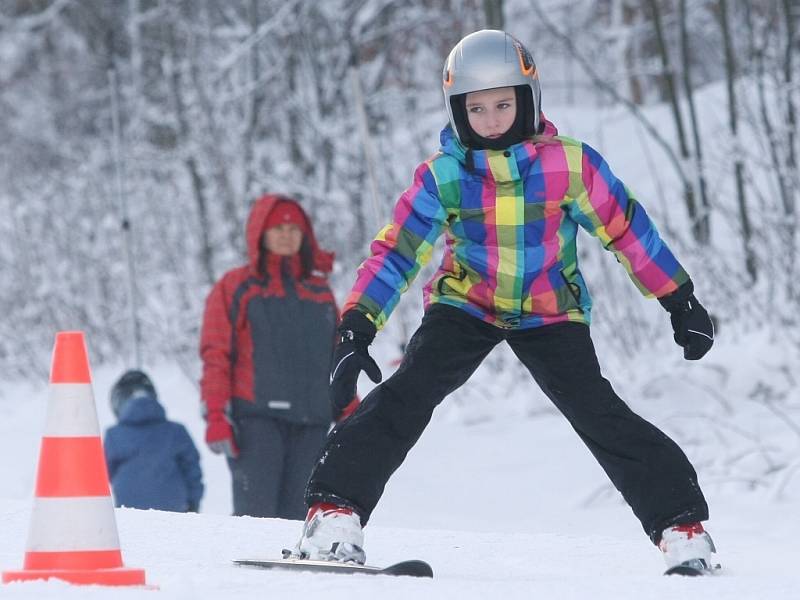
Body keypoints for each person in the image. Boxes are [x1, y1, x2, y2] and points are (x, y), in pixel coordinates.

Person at [292, 30, 717, 573]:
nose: (491, 119)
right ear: (457, 111)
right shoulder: (444, 175)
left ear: (529, 99)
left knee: (597, 411)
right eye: (476, 108)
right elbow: (396, 253)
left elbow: (627, 230)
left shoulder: (569, 165)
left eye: (502, 104)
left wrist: (678, 299)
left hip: (550, 310)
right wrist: (356, 326)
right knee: (409, 392)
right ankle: (333, 512)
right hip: (465, 304)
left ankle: (681, 526)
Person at [200, 194, 356, 519]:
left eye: (293, 229)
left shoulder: (319, 291)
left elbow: (335, 355)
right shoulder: (236, 287)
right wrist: (216, 415)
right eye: (278, 228)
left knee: (300, 519)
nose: (286, 235)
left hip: (313, 423)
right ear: (261, 233)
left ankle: (297, 572)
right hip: (256, 423)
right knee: (255, 520)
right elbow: (216, 355)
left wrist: (349, 406)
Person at [104, 369, 204, 512]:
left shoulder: (114, 436)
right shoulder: (176, 431)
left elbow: (106, 475)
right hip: (176, 512)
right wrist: (194, 503)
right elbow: (193, 471)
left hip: (130, 514)